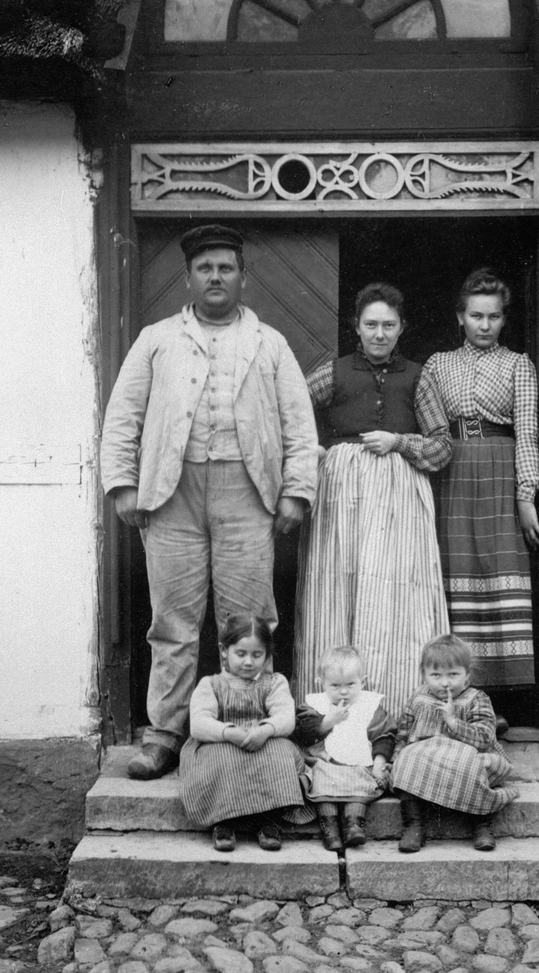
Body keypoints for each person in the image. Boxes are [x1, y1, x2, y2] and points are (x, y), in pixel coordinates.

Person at [100, 224, 317, 780]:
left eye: (226, 268)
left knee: (249, 621)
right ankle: (165, 734)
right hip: (172, 495)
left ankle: (254, 732)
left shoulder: (270, 343)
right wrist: (123, 484)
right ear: (188, 277)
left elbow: (298, 423)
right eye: (205, 268)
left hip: (247, 494)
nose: (215, 277)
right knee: (172, 621)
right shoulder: (156, 339)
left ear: (243, 276)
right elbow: (123, 416)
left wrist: (296, 491)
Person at [292, 282, 452, 720]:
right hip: (343, 494)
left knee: (393, 593)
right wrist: (313, 448)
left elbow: (442, 446)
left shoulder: (418, 376)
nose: (379, 334)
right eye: (371, 325)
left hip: (399, 496)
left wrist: (398, 441)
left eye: (388, 325)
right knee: (336, 589)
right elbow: (289, 406)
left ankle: (398, 709)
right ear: (357, 327)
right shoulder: (335, 372)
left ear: (401, 328)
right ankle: (324, 715)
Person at [424, 268, 539, 690]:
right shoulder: (438, 365)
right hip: (452, 471)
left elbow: (527, 432)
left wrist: (525, 496)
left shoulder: (517, 365)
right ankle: (458, 690)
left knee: (498, 569)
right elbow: (427, 428)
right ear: (460, 317)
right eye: (476, 316)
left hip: (499, 470)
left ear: (503, 319)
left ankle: (500, 694)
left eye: (494, 316)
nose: (484, 325)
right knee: (455, 569)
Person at [179, 614, 308, 852]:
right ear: (224, 651)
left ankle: (268, 820)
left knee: (281, 753)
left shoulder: (274, 682)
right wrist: (228, 733)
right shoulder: (211, 684)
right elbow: (199, 723)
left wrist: (266, 730)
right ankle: (223, 822)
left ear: (267, 655)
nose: (248, 662)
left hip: (262, 742)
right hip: (222, 743)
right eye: (241, 654)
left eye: (257, 655)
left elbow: (286, 717)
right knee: (217, 757)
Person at [391, 633, 518, 853]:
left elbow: (484, 738)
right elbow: (403, 734)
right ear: (424, 676)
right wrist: (395, 760)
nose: (445, 683)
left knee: (475, 766)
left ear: (467, 676)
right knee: (405, 761)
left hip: (464, 757)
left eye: (453, 674)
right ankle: (414, 824)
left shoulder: (476, 698)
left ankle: (481, 824)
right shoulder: (418, 699)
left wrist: (453, 722)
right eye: (436, 675)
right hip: (426, 758)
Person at [294, 645, 396, 852]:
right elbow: (302, 732)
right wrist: (327, 722)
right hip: (325, 763)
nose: (343, 691)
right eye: (335, 685)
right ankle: (329, 828)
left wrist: (379, 763)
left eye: (350, 684)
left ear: (363, 682)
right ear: (322, 682)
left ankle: (354, 824)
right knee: (321, 782)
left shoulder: (369, 706)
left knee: (360, 783)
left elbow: (383, 736)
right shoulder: (316, 704)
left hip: (358, 765)